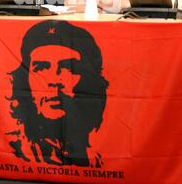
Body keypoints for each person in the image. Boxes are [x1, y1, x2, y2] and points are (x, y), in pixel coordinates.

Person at [8, 20, 108, 167]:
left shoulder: (103, 154)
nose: (54, 80)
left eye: (68, 67)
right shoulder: (12, 149)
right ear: (24, 80)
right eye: (41, 68)